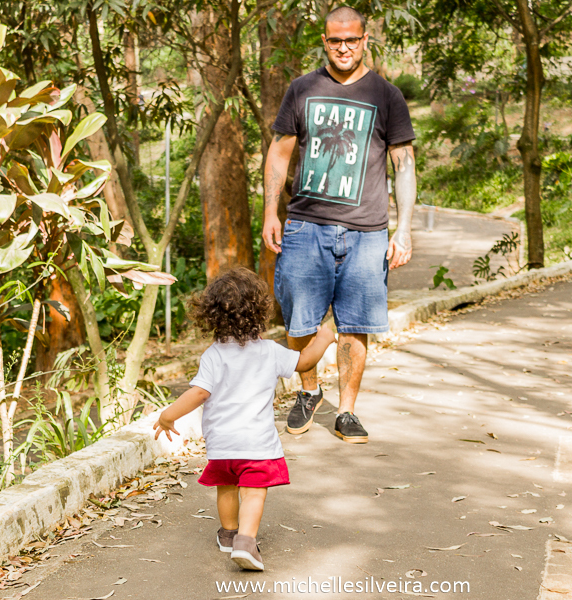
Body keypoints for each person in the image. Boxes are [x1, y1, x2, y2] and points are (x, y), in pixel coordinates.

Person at [262, 5, 417, 444]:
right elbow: (279, 152)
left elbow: (404, 165)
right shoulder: (302, 89)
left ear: (366, 40)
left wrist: (403, 228)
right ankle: (309, 393)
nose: (344, 48)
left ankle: (346, 411)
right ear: (324, 41)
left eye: (352, 40)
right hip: (305, 226)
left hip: (367, 231)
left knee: (356, 325)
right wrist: (270, 212)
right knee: (299, 320)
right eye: (335, 41)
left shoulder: (387, 96)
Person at [153, 268, 335, 571]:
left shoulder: (213, 355)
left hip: (222, 444)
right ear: (259, 311)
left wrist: (168, 415)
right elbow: (304, 361)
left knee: (226, 487)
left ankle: (229, 534)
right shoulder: (269, 351)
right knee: (252, 493)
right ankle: (246, 542)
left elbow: (198, 393)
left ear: (211, 315)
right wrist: (324, 339)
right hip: (256, 443)